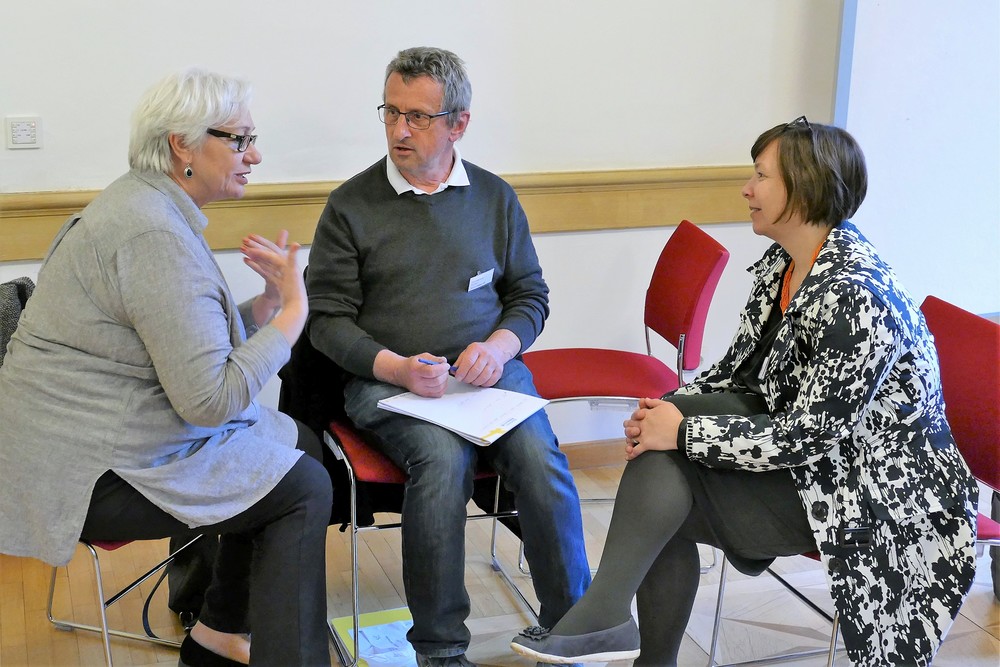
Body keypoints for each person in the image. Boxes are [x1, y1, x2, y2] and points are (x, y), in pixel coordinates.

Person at [510, 118, 979, 667]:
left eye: (761, 176)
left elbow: (809, 435)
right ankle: (612, 625)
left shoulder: (858, 298)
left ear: (805, 188)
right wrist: (665, 412)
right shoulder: (786, 262)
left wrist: (685, 432)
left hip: (873, 495)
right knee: (659, 468)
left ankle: (611, 625)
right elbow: (739, 374)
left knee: (664, 487)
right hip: (820, 462)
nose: (746, 189)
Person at [0, 69, 333, 667]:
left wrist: (261, 310)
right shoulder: (151, 231)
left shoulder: (145, 204)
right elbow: (208, 401)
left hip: (105, 438)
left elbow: (177, 340)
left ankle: (218, 634)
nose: (254, 155)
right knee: (302, 487)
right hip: (82, 470)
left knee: (297, 447)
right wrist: (291, 314)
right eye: (239, 139)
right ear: (183, 145)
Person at [305, 46, 591, 667]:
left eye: (417, 116)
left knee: (540, 460)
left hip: (489, 376)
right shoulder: (350, 206)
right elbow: (326, 322)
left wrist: (500, 346)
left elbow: (529, 296)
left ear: (458, 123)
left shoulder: (494, 197)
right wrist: (397, 367)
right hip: (386, 381)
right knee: (440, 460)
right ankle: (439, 650)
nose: (399, 130)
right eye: (391, 112)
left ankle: (574, 629)